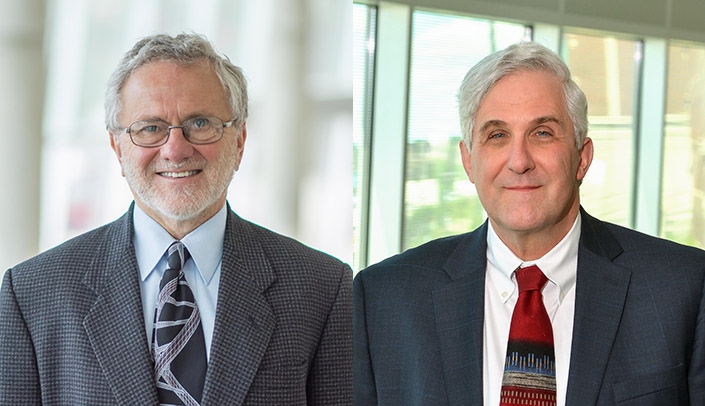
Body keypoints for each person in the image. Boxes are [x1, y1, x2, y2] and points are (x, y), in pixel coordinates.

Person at [0, 33, 352, 405]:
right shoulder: (31, 295)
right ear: (117, 148)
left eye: (200, 123)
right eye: (150, 128)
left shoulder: (322, 289)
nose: (175, 149)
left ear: (240, 141)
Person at [353, 41, 705, 405]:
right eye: (497, 135)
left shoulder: (683, 288)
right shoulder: (383, 298)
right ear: (469, 161)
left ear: (581, 157)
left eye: (542, 133)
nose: (519, 161)